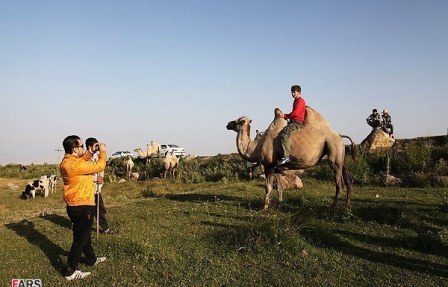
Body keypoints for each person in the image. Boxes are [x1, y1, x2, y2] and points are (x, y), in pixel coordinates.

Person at [60, 135, 107, 281]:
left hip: (78, 205)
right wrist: (102, 152)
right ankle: (71, 271)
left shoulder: (69, 161)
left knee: (84, 236)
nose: (83, 148)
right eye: (81, 146)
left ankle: (91, 259)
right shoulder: (74, 165)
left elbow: (81, 160)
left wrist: (91, 152)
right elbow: (100, 166)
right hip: (82, 206)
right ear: (75, 149)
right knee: (80, 240)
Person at [86, 137, 115, 235]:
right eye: (96, 146)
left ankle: (105, 229)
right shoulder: (85, 159)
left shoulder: (98, 157)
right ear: (90, 147)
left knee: (100, 209)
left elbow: (101, 168)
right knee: (88, 211)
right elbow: (87, 173)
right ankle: (84, 229)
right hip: (88, 190)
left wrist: (101, 177)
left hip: (97, 189)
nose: (98, 147)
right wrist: (95, 179)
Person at [277, 85, 306, 165]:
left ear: (299, 92)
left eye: (294, 92)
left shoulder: (300, 101)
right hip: (293, 121)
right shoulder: (296, 100)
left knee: (284, 135)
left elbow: (296, 113)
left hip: (297, 122)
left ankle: (286, 157)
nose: (293, 94)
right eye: (292, 92)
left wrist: (285, 116)